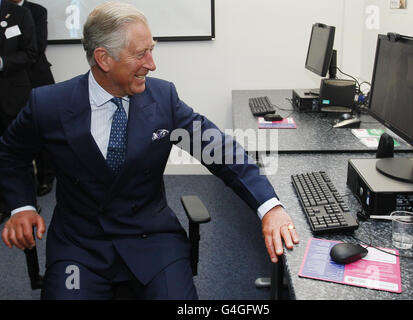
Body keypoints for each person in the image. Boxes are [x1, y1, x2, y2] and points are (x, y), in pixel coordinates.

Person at [0, 2, 298, 300]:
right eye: (140, 54)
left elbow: (218, 149)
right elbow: (10, 153)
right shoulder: (48, 104)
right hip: (80, 247)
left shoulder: (163, 98)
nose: (152, 64)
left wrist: (269, 206)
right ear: (103, 58)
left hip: (152, 241)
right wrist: (21, 206)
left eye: (151, 50)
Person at [7, 0, 56, 196]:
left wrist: (8, 60)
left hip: (36, 78)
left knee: (41, 128)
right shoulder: (4, 12)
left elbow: (37, 46)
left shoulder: (36, 11)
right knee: (15, 131)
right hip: (10, 83)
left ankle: (46, 175)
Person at [0, 0, 37, 223]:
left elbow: (31, 53)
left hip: (12, 96)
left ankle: (25, 205)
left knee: (18, 152)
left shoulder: (19, 14)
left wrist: (2, 62)